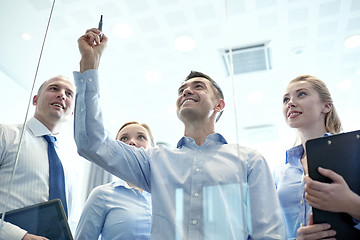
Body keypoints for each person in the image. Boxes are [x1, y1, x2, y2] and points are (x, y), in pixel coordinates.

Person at [73, 28, 286, 239]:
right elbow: (92, 143)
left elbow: (268, 233)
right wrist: (89, 64)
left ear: (219, 105)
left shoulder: (249, 160)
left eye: (199, 86)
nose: (186, 91)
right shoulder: (154, 161)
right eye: (182, 89)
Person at [275, 74, 360, 239]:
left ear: (326, 106)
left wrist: (350, 203)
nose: (290, 103)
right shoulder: (279, 172)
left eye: (301, 94)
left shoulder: (354, 155)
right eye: (286, 100)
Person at [0, 76, 76, 240]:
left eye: (69, 94)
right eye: (54, 88)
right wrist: (19, 236)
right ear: (35, 99)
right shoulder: (5, 135)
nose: (62, 95)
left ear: (72, 112)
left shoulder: (69, 163)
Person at [75, 121, 154, 240]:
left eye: (141, 137)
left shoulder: (166, 196)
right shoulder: (101, 195)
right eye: (124, 138)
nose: (131, 142)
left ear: (153, 148)